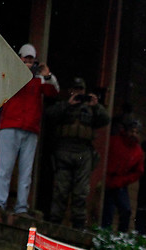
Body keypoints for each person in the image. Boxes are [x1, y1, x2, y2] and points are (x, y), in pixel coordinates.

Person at [0, 43, 59, 214]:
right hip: (9, 125)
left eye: (31, 59)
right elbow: (1, 82)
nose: (28, 62)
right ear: (19, 58)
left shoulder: (40, 79)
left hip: (30, 129)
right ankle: (0, 201)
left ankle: (21, 206)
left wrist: (47, 74)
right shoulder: (12, 73)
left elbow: (54, 92)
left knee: (26, 171)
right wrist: (20, 69)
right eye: (25, 58)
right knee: (5, 167)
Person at [46, 77, 110, 228]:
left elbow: (105, 120)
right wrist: (67, 105)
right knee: (61, 190)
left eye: (81, 90)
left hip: (83, 152)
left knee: (81, 192)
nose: (78, 93)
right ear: (70, 91)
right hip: (64, 150)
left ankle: (78, 224)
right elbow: (49, 115)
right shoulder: (64, 105)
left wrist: (96, 106)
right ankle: (55, 222)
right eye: (75, 89)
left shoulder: (91, 108)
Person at [102, 118, 144, 232]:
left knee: (126, 210)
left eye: (137, 132)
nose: (133, 134)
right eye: (132, 131)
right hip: (107, 180)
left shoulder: (138, 151)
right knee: (107, 211)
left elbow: (138, 171)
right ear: (126, 131)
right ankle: (104, 233)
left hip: (120, 183)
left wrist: (124, 180)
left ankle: (122, 236)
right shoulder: (114, 141)